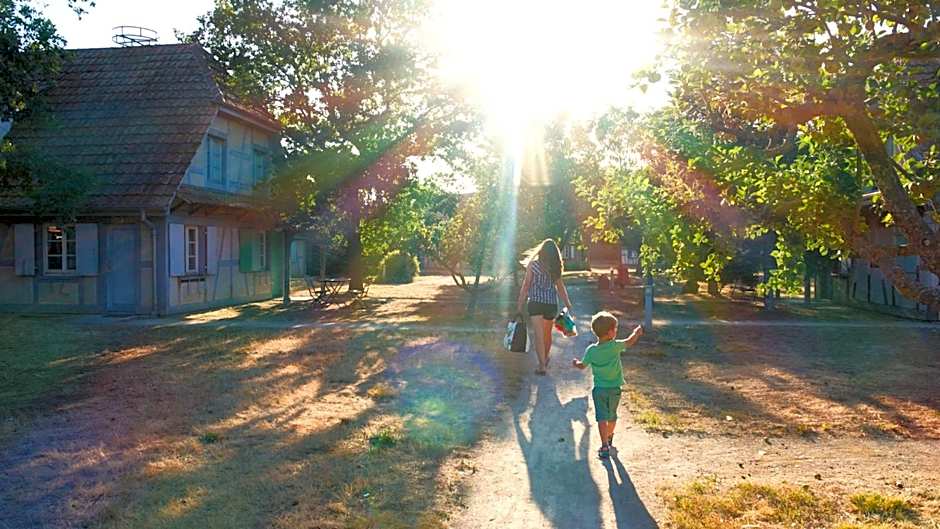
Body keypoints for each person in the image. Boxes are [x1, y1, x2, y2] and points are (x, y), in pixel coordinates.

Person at [572, 311, 643, 459]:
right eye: (615, 329)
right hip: (615, 389)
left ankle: (604, 445)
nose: (616, 331)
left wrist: (576, 363)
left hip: (599, 390)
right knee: (612, 417)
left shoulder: (591, 350)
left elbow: (582, 366)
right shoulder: (615, 346)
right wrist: (636, 332)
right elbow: (629, 341)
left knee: (601, 418)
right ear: (610, 332)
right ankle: (609, 437)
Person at [516, 239, 573, 375]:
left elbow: (526, 286)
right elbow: (560, 287)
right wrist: (568, 304)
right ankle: (545, 359)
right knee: (547, 335)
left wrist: (520, 305)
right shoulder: (555, 267)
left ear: (541, 251)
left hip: (535, 303)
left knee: (539, 335)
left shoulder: (533, 265)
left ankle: (542, 365)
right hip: (551, 304)